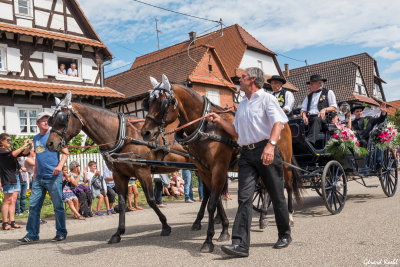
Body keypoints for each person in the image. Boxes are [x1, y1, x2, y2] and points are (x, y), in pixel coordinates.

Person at [207, 67, 291, 257]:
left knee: (277, 195)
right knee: (244, 198)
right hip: (246, 155)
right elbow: (236, 132)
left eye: (242, 77)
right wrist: (219, 120)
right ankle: (240, 245)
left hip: (265, 150)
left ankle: (285, 234)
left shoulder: (267, 99)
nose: (239, 79)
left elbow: (278, 123)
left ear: (252, 80)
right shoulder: (243, 103)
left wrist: (271, 145)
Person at [18, 111, 69, 244]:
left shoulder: (54, 135)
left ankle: (61, 232)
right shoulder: (36, 139)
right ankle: (32, 234)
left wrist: (59, 167)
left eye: (48, 119)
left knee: (58, 206)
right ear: (37, 123)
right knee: (33, 206)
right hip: (39, 178)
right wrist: (35, 175)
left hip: (54, 177)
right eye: (43, 120)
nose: (46, 122)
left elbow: (65, 153)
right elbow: (38, 159)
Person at [0, 134, 31, 230]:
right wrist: (23, 146)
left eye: (10, 140)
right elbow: (14, 154)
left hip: (16, 176)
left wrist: (29, 145)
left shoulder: (10, 149)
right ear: (1, 141)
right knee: (7, 200)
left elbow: (24, 153)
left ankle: (12, 222)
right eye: (8, 140)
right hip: (7, 176)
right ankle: (5, 223)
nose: (10, 141)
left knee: (13, 200)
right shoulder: (1, 151)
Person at [300, 74, 338, 145]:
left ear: (319, 83)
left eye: (312, 83)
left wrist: (324, 109)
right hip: (309, 118)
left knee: (316, 119)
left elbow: (333, 107)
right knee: (298, 122)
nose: (310, 85)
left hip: (323, 118)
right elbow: (303, 110)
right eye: (310, 84)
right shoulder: (308, 97)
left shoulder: (328, 92)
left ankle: (309, 142)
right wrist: (304, 116)